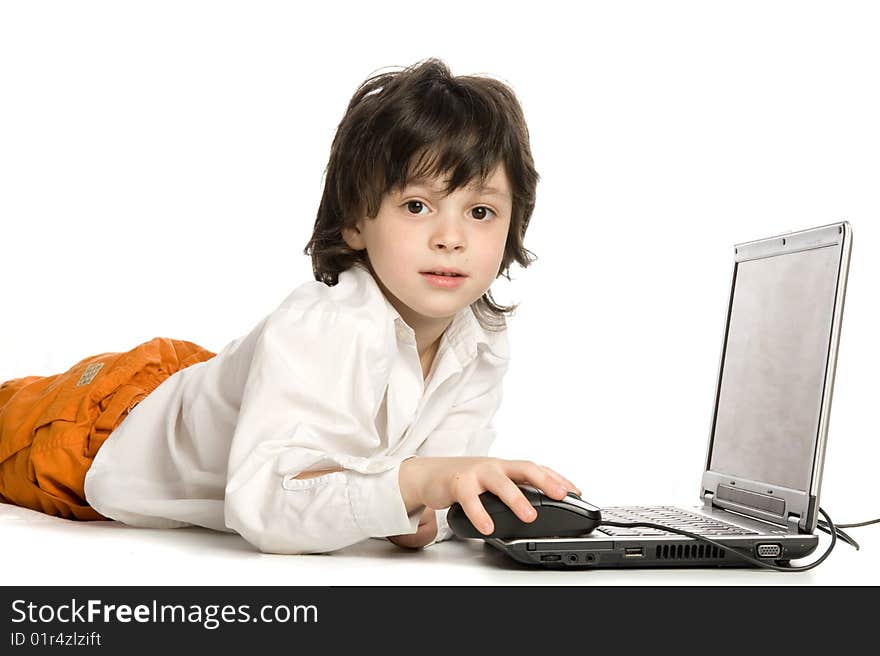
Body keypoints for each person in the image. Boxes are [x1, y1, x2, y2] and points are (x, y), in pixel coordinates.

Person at [0, 57, 581, 554]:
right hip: (102, 429)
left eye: (480, 212)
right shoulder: (325, 325)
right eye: (417, 206)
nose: (451, 237)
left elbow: (423, 485)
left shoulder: (480, 335)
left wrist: (425, 509)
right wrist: (415, 484)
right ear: (355, 219)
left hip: (211, 393)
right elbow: (265, 507)